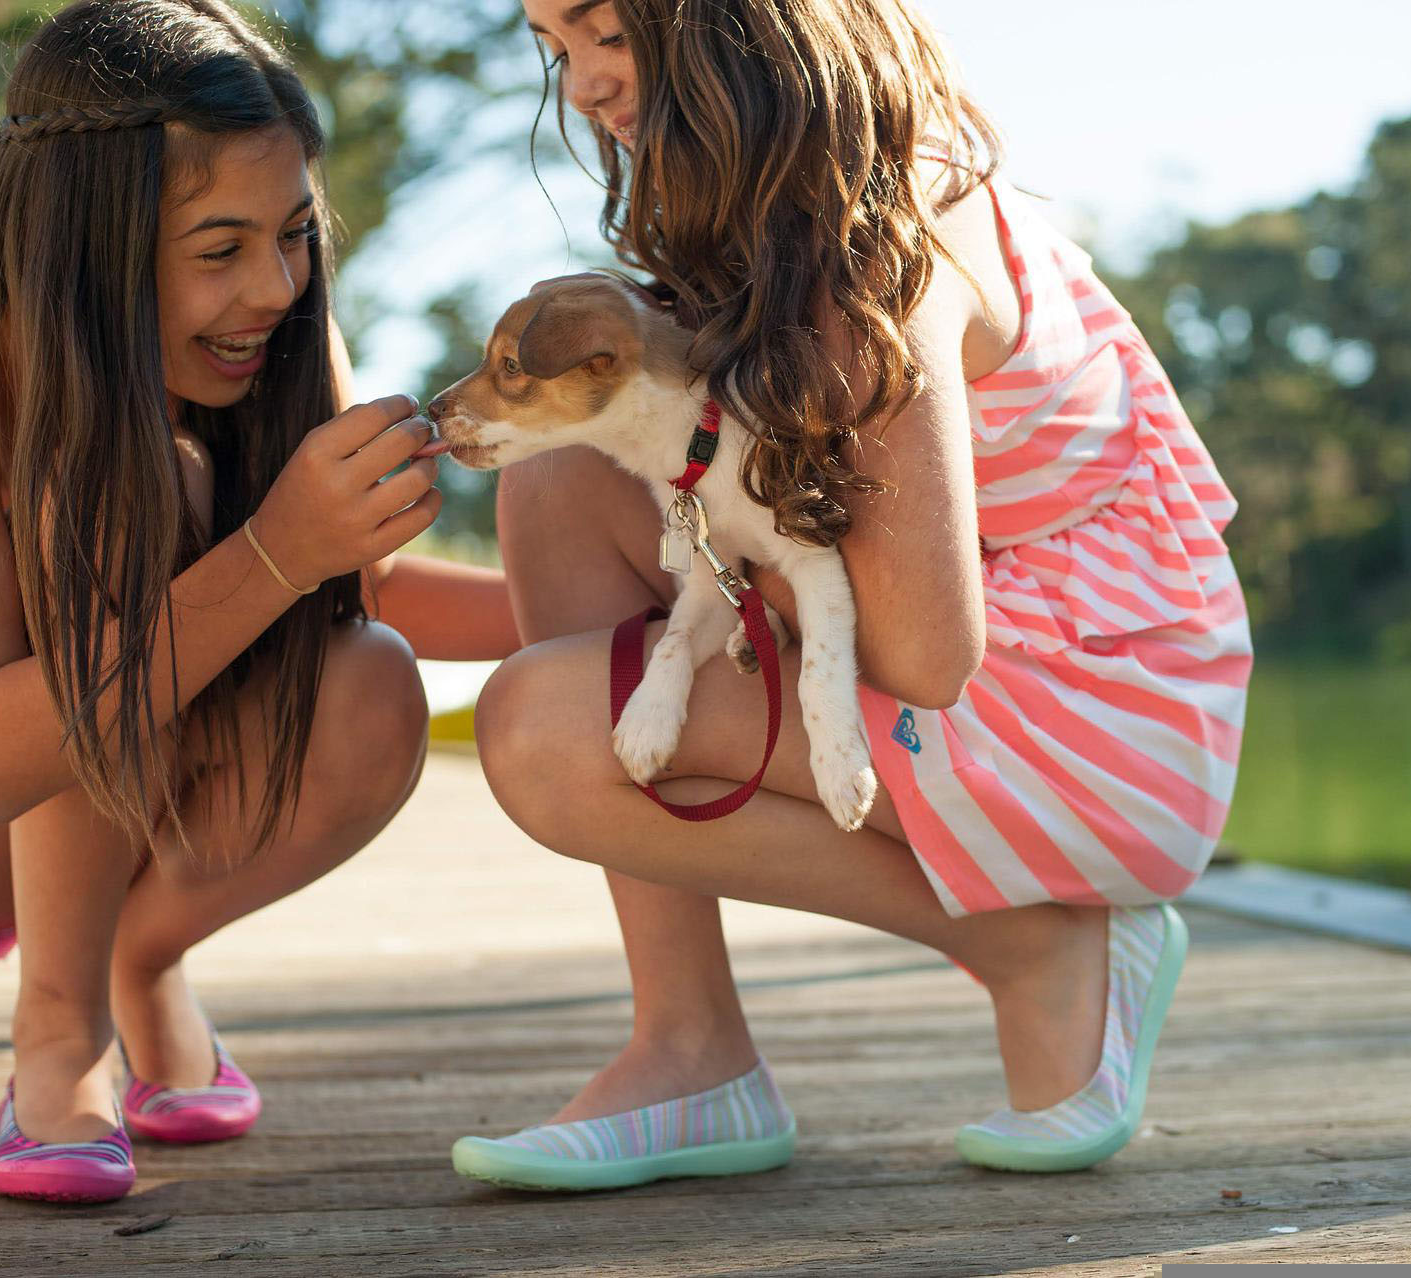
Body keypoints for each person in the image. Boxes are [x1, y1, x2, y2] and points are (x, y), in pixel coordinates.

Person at [451, 0, 1251, 1190]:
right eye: (556, 50)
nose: (582, 88)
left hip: (1103, 719)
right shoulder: (799, 225)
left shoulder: (877, 261)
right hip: (1052, 660)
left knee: (546, 731)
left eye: (606, 33)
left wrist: (729, 592)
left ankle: (1033, 941)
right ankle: (690, 1048)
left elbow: (928, 655)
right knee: (565, 476)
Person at [0, 0, 514, 1204]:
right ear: (87, 241)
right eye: (218, 250)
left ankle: (139, 956)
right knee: (120, 478)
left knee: (370, 676)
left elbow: (353, 588)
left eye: (295, 234)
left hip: (132, 740)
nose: (273, 286)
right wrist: (274, 547)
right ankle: (60, 1028)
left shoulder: (277, 330)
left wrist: (634, 605)